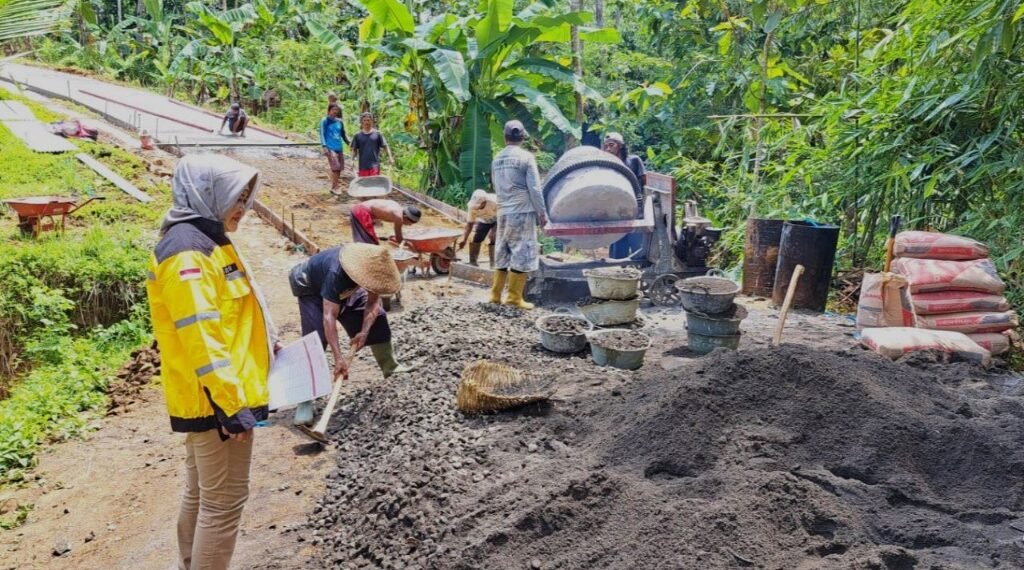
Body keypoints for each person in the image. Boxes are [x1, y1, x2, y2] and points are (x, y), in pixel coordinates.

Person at [146, 154, 276, 570]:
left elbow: (227, 320)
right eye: (236, 197)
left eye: (245, 197)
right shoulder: (189, 252)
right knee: (223, 505)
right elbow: (201, 335)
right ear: (207, 194)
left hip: (212, 394)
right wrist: (231, 405)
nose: (243, 207)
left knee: (202, 495)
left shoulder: (208, 238)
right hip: (216, 399)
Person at [287, 243, 414, 426]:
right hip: (310, 287)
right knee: (316, 339)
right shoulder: (336, 273)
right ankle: (305, 400)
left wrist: (364, 331)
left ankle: (390, 367)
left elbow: (372, 305)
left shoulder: (372, 271)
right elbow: (329, 316)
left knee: (378, 319)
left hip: (344, 289)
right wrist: (339, 358)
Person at [489, 120, 546, 310]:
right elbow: (535, 189)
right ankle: (514, 297)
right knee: (521, 252)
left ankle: (495, 295)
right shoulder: (526, 157)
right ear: (522, 137)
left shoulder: (497, 158)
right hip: (522, 210)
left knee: (503, 251)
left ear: (505, 137)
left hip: (503, 210)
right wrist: (542, 213)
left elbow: (495, 185)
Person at [603, 132, 648, 259]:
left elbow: (644, 182)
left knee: (638, 249)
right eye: (605, 146)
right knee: (617, 251)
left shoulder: (634, 161)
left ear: (620, 146)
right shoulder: (606, 165)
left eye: (611, 145)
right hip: (616, 213)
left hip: (636, 211)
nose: (608, 149)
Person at [349, 198, 420, 245]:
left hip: (359, 210)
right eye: (411, 223)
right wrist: (411, 244)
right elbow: (399, 239)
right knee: (370, 244)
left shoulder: (397, 207)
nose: (410, 225)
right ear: (406, 217)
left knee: (365, 241)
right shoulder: (399, 217)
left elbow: (377, 210)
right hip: (362, 212)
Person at [457, 189, 498, 267]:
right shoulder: (472, 207)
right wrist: (464, 239)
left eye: (478, 205)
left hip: (499, 219)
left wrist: (495, 230)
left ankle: (494, 264)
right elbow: (469, 224)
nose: (476, 207)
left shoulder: (495, 202)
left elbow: (503, 217)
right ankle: (473, 262)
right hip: (484, 220)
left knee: (493, 236)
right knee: (477, 238)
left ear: (484, 202)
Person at [351, 112, 394, 177]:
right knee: (364, 185)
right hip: (363, 166)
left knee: (374, 184)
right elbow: (354, 150)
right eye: (364, 120)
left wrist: (390, 157)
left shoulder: (378, 134)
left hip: (374, 166)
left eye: (368, 120)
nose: (366, 122)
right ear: (362, 122)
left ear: (372, 121)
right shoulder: (357, 135)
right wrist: (352, 160)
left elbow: (385, 146)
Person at [319, 103, 350, 195]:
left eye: (337, 110)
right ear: (329, 110)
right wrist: (324, 146)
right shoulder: (324, 120)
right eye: (333, 110)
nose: (335, 112)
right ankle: (336, 187)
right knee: (335, 167)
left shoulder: (339, 122)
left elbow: (343, 134)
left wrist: (349, 143)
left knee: (339, 168)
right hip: (330, 147)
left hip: (339, 147)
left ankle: (334, 187)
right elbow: (322, 133)